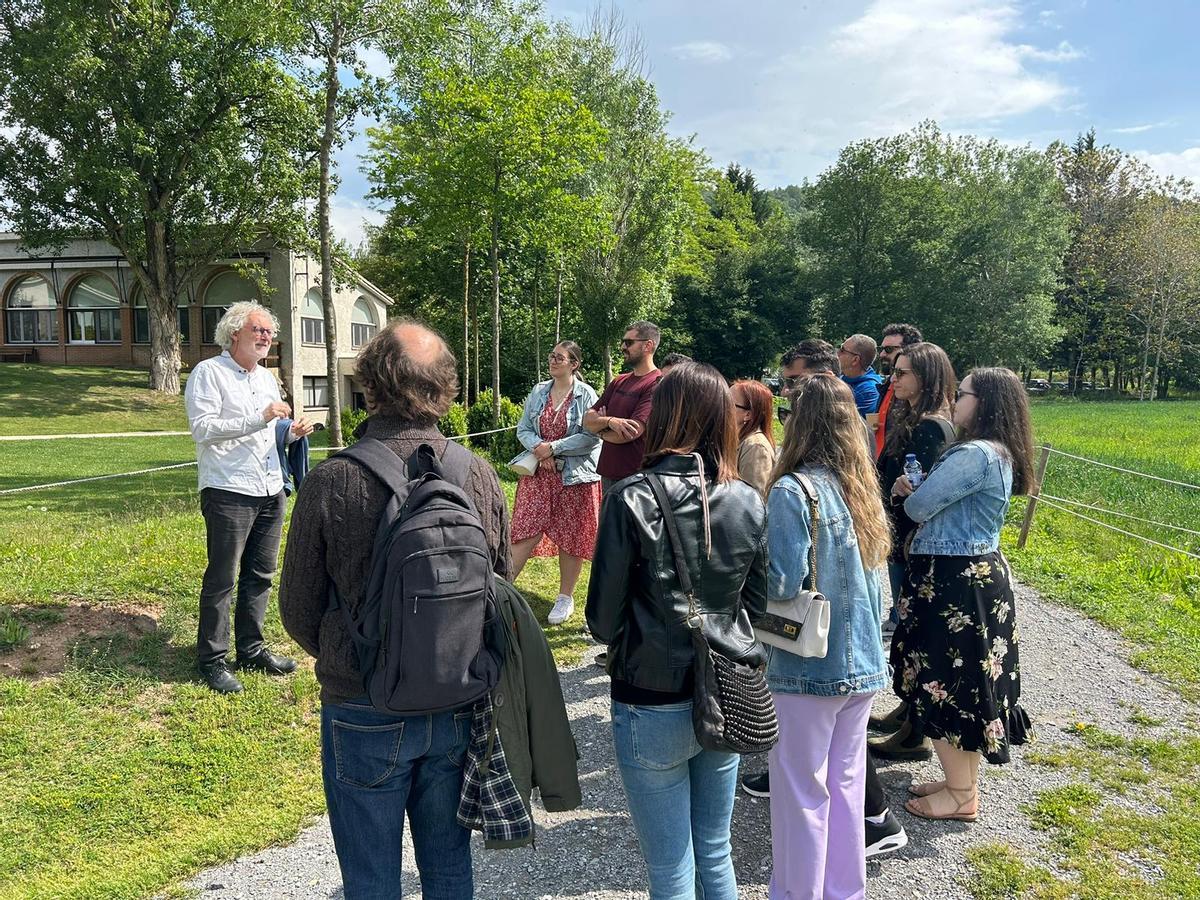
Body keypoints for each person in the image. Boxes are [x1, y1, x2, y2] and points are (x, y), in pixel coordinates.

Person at [278, 319, 511, 899]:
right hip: (456, 696)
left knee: (370, 879)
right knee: (450, 869)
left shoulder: (332, 479)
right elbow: (498, 582)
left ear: (370, 386)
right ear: (446, 389)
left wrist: (358, 652)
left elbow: (297, 609)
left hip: (361, 700)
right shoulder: (478, 476)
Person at [586, 362, 768, 900]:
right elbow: (754, 604)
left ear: (664, 415)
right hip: (728, 683)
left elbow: (601, 619)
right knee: (715, 849)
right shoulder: (747, 499)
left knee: (670, 866)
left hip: (650, 688)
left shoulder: (631, 497)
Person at [761, 375, 896, 897]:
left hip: (806, 661)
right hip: (861, 659)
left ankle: (797, 893)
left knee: (799, 789)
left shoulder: (793, 491)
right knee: (844, 783)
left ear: (801, 423)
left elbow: (781, 581)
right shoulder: (859, 487)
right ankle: (844, 890)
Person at [889, 367, 1036, 822]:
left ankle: (960, 795)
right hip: (971, 576)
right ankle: (961, 784)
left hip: (955, 581)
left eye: (964, 394)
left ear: (985, 402)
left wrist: (907, 490)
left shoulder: (973, 454)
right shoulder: (997, 451)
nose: (955, 401)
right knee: (968, 683)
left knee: (948, 684)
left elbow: (918, 507)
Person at [184, 301, 313, 694]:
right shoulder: (208, 373)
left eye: (270, 333)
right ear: (234, 333)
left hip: (270, 486)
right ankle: (212, 659)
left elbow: (271, 433)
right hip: (228, 489)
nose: (266, 337)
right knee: (223, 577)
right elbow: (203, 429)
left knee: (261, 575)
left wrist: (293, 433)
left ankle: (252, 649)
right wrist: (261, 416)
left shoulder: (267, 378)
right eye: (258, 330)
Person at [871, 341, 956, 657]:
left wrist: (893, 493)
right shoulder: (914, 419)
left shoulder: (929, 427)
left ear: (927, 377)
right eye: (894, 372)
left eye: (902, 373)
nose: (894, 379)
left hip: (911, 543)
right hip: (904, 540)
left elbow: (920, 494)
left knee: (913, 630)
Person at [510, 340, 602, 626]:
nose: (553, 361)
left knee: (571, 537)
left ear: (574, 364)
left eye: (560, 358)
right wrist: (540, 448)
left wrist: (554, 448)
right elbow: (523, 429)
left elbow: (591, 436)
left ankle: (565, 597)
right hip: (539, 475)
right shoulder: (539, 391)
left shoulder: (586, 395)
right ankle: (499, 587)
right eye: (551, 356)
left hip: (574, 478)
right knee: (525, 529)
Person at [584, 321, 663, 494]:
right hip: (608, 473)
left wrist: (599, 429)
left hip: (637, 477)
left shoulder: (657, 383)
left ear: (647, 345)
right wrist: (610, 421)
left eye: (629, 342)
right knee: (608, 522)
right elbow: (587, 419)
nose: (622, 347)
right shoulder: (619, 381)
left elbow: (631, 432)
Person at [874, 323, 924, 457]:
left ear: (908, 351)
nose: (882, 354)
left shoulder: (914, 394)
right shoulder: (886, 386)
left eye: (889, 349)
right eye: (882, 349)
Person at [731, 379, 775, 496]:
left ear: (748, 414)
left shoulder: (755, 447)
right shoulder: (739, 440)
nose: (722, 406)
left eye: (729, 403)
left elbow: (753, 499)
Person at [837, 334, 883, 416]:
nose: (837, 353)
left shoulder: (869, 390)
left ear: (855, 360)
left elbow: (855, 424)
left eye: (842, 350)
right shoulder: (841, 378)